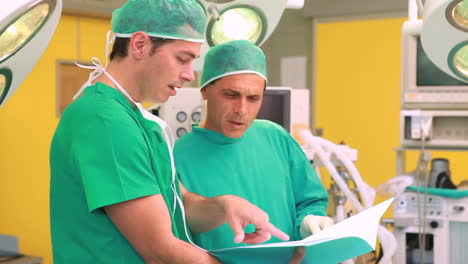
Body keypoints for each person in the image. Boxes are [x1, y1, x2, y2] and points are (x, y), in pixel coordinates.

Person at [49, 1, 291, 263]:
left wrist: (224, 206)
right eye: (182, 59)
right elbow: (159, 250)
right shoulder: (105, 121)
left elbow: (178, 204)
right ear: (140, 44)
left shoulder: (136, 121)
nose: (189, 75)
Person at [174, 40, 334, 252]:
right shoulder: (175, 155)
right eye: (231, 95)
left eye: (253, 98)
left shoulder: (275, 137)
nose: (242, 109)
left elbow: (309, 200)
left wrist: (309, 222)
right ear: (205, 90)